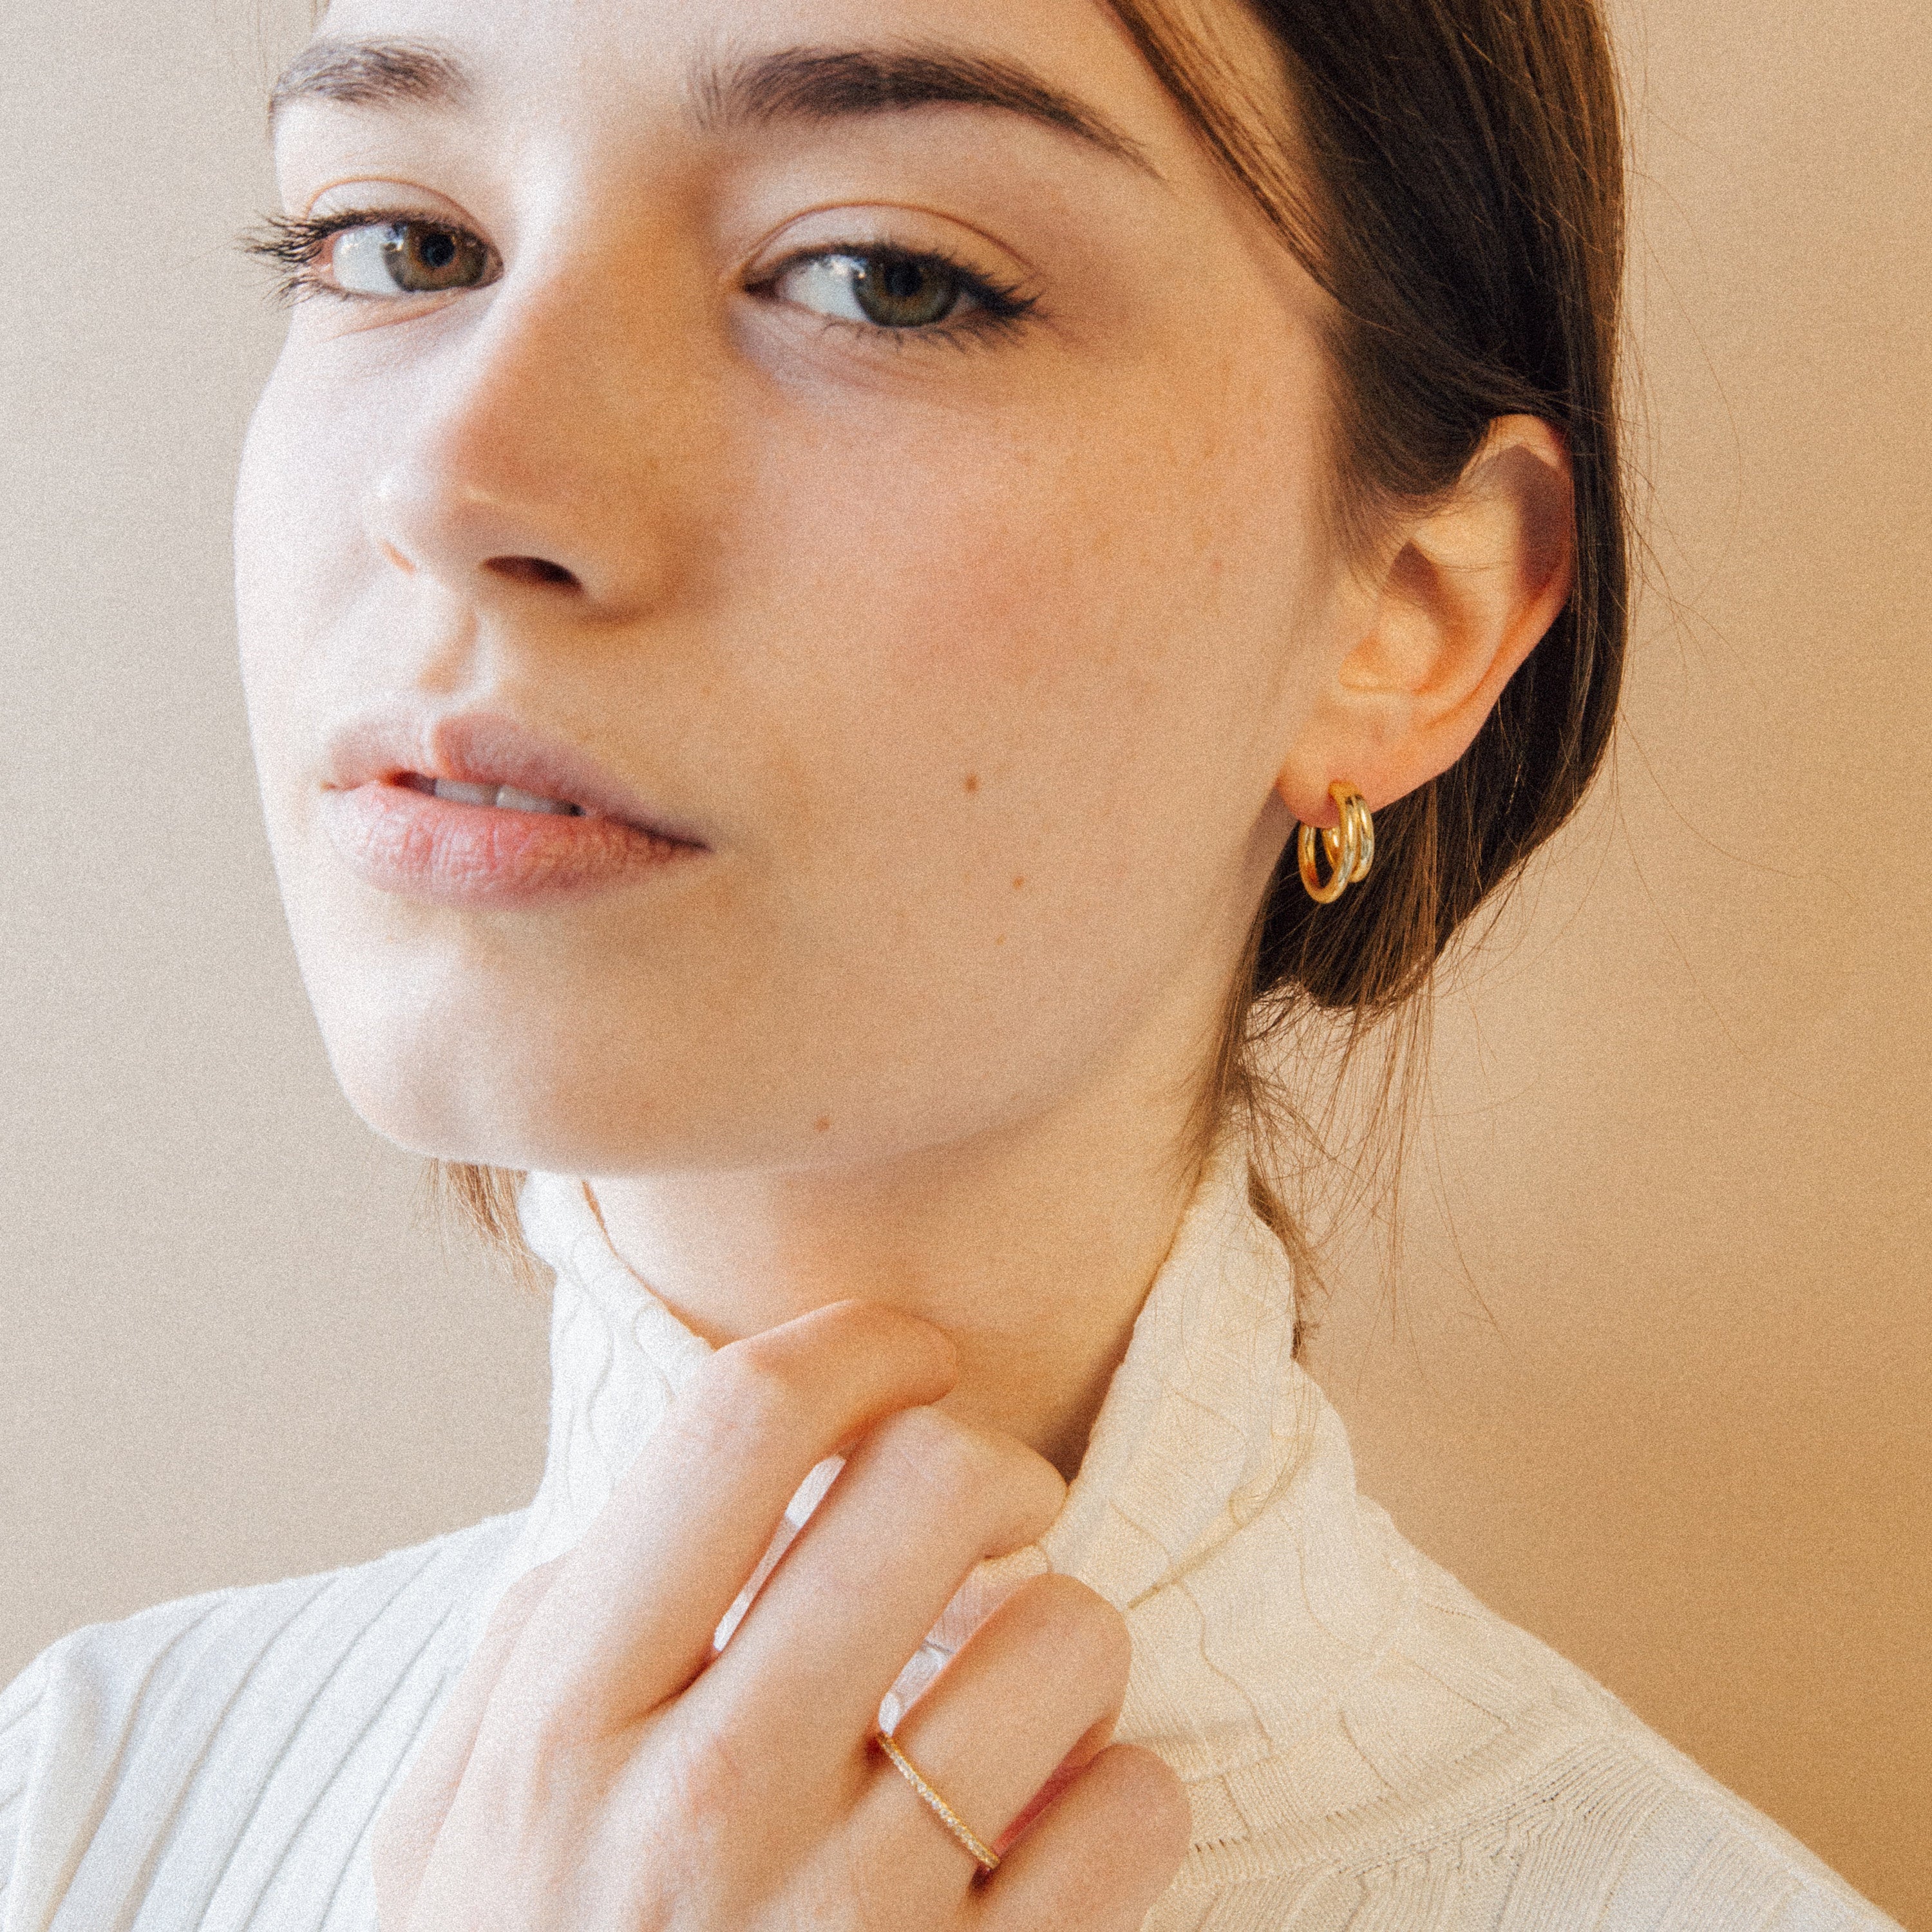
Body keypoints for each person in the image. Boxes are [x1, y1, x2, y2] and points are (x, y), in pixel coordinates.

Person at [0, 0, 1905, 1926]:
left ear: (1409, 614)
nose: (458, 484)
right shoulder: (76, 1800)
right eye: (401, 247)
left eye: (883, 278)